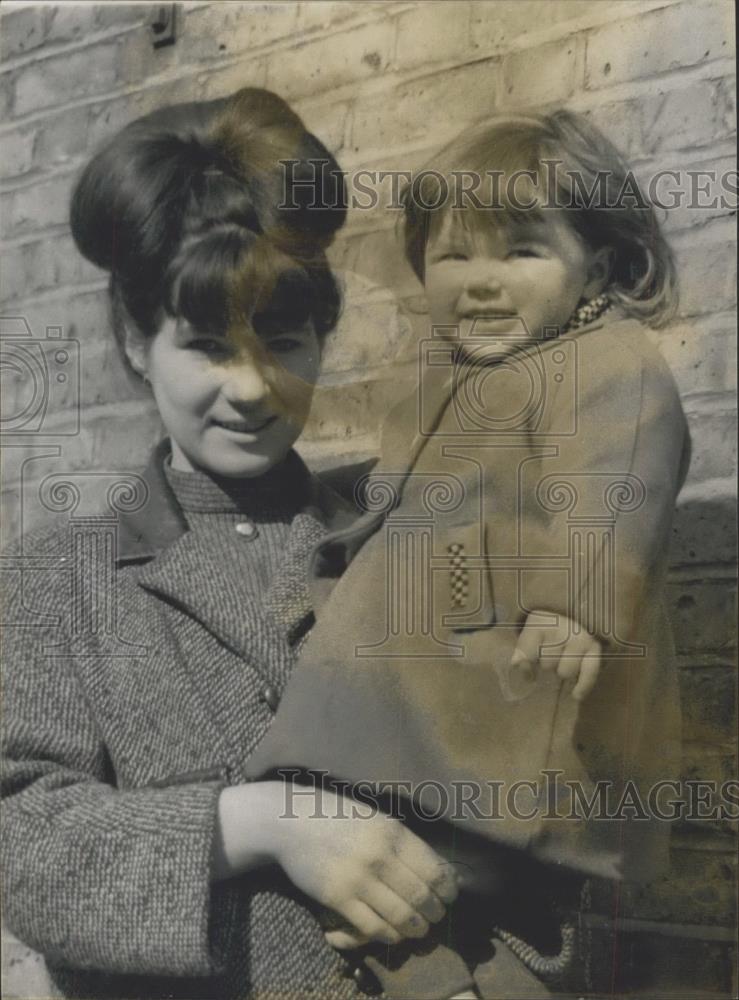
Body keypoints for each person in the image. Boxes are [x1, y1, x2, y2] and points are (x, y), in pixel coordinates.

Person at [0, 87, 462, 1000]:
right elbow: (24, 850)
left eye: (283, 340)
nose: (252, 388)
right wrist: (256, 824)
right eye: (208, 344)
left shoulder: (404, 527)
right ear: (136, 345)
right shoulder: (62, 577)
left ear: (323, 338)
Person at [244, 109, 692, 998]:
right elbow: (401, 488)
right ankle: (437, 972)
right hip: (428, 659)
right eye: (453, 256)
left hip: (514, 665)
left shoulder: (607, 363)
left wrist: (577, 598)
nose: (481, 283)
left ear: (593, 266)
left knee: (466, 856)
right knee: (358, 837)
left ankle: (453, 979)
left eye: (521, 251)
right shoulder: (447, 368)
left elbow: (615, 474)